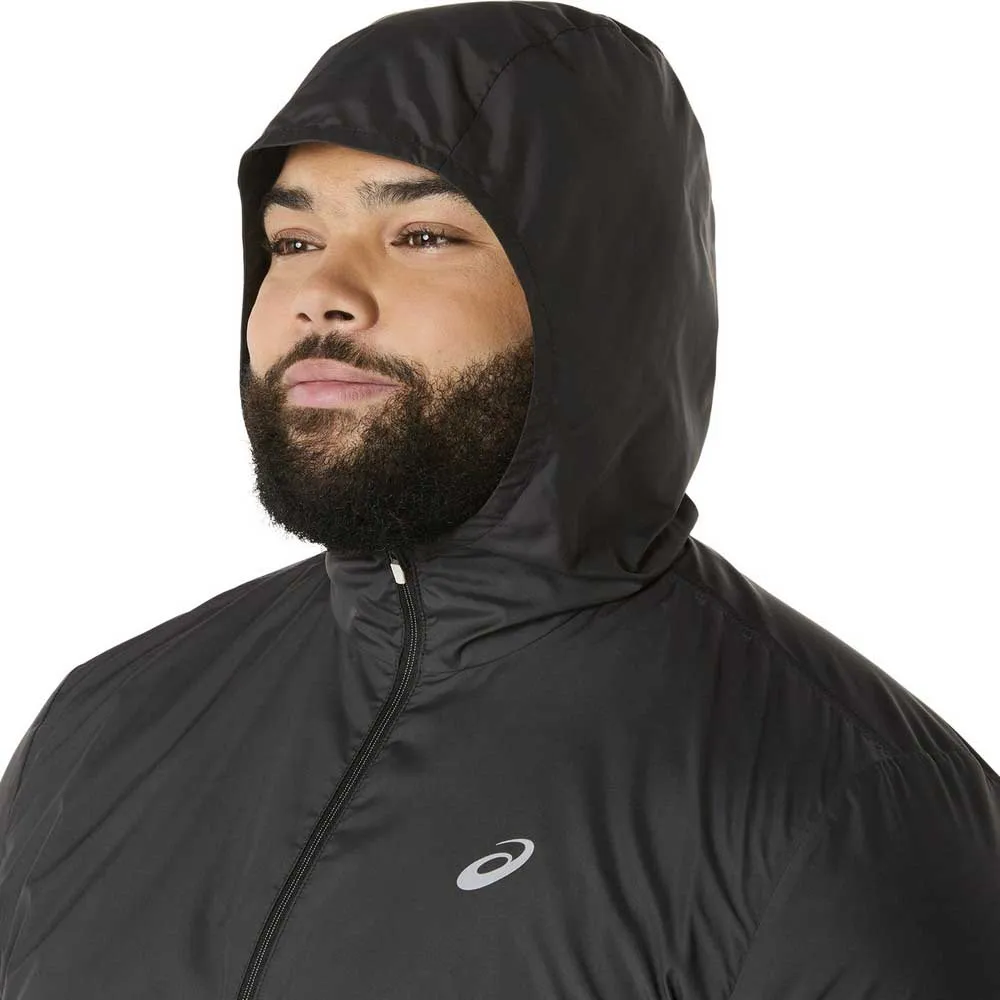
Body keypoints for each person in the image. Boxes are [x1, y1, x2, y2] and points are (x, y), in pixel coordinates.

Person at [1, 2, 997, 997]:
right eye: (293, 241)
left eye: (422, 234)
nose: (320, 293)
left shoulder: (842, 806)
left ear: (598, 294)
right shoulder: (104, 726)